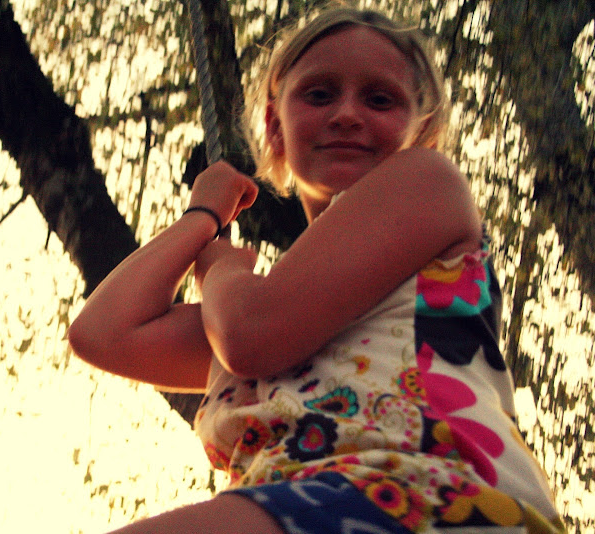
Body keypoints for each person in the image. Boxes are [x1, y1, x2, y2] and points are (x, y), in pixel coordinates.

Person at [68, 7, 565, 533]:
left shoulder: (429, 183)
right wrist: (201, 217)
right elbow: (103, 334)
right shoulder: (273, 310)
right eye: (320, 94)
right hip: (320, 499)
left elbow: (249, 333)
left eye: (380, 99)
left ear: (424, 130)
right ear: (273, 127)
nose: (347, 114)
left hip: (433, 490)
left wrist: (220, 273)